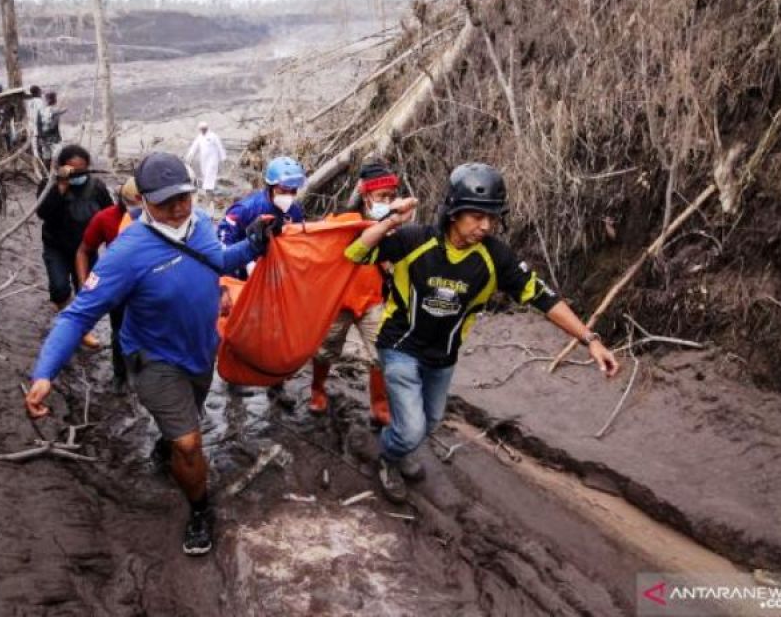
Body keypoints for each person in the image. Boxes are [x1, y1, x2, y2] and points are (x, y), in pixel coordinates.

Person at [25, 152, 275, 555]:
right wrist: (44, 373)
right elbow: (77, 315)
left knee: (183, 425)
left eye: (184, 197)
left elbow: (220, 261)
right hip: (154, 360)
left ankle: (168, 442)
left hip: (200, 351)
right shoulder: (127, 252)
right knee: (190, 445)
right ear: (141, 199)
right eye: (164, 201)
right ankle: (199, 510)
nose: (177, 209)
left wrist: (255, 243)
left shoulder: (203, 226)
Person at [344, 162, 621, 503]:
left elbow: (542, 296)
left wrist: (589, 340)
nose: (485, 226)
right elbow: (356, 251)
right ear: (454, 212)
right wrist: (390, 220)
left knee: (429, 422)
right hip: (399, 346)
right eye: (476, 216)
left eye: (491, 217)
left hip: (442, 357)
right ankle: (389, 457)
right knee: (412, 428)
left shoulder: (495, 258)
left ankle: (400, 442)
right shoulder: (415, 240)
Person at [309, 160, 399, 426]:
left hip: (372, 300)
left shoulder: (392, 224)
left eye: (391, 196)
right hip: (339, 300)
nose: (387, 201)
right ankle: (317, 389)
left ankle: (379, 406)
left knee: (381, 354)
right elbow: (315, 246)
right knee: (325, 350)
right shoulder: (341, 222)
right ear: (366, 195)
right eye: (382, 196)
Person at [36, 145, 113, 349]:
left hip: (87, 249)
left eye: (82, 170)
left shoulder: (97, 187)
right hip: (56, 246)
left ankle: (81, 330)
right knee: (59, 287)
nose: (77, 175)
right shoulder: (49, 184)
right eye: (72, 170)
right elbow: (42, 213)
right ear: (62, 167)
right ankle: (65, 312)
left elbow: (110, 216)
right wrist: (60, 188)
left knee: (86, 291)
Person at [73, 177, 143, 390]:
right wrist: (85, 284)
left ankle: (142, 372)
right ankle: (121, 375)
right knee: (119, 331)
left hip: (148, 286)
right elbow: (84, 250)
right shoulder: (105, 219)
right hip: (120, 287)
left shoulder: (157, 219)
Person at [217, 155, 306, 280]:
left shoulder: (294, 211)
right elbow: (222, 246)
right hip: (243, 274)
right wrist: (244, 264)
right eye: (283, 190)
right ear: (270, 187)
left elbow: (300, 243)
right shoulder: (245, 209)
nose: (288, 196)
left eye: (293, 191)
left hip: (276, 272)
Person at [185, 121, 227, 198]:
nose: (203, 130)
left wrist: (223, 157)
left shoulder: (213, 136)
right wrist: (189, 156)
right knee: (205, 173)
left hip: (212, 159)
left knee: (210, 172)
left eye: (204, 129)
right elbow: (194, 147)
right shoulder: (199, 137)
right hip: (204, 159)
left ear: (207, 128)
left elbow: (219, 146)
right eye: (201, 129)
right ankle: (208, 189)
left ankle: (209, 190)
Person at [36, 91, 66, 168]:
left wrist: (41, 136)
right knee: (57, 156)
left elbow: (38, 124)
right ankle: (54, 175)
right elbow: (54, 126)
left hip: (44, 138)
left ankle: (46, 174)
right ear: (54, 100)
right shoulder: (55, 111)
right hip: (54, 139)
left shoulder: (41, 111)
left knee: (46, 157)